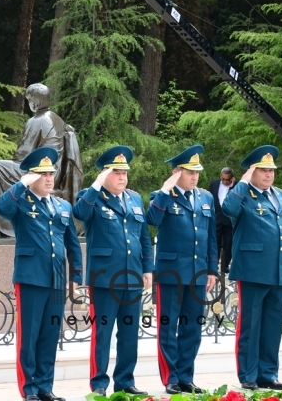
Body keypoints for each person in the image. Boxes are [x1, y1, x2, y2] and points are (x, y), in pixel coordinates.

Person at [0, 146, 83, 401]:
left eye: (50, 174)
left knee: (49, 335)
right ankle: (29, 388)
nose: (48, 178)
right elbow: (1, 207)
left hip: (56, 279)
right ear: (32, 177)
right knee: (29, 335)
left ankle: (45, 386)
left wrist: (75, 277)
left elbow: (72, 244)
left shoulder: (62, 206)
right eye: (41, 174)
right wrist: (22, 182)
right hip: (31, 278)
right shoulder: (21, 203)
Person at [72, 146, 153, 397]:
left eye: (124, 173)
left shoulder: (134, 198)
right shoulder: (91, 196)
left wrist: (148, 269)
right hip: (104, 279)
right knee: (103, 334)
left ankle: (125, 381)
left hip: (131, 276)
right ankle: (99, 383)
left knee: (129, 334)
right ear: (104, 174)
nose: (122, 178)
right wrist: (96, 185)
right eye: (116, 173)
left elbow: (144, 237)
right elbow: (79, 214)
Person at [222, 145, 282, 391]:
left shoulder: (281, 195)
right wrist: (242, 183)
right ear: (251, 171)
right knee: (250, 326)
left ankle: (268, 374)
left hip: (279, 269)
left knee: (273, 325)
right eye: (263, 170)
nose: (268, 175)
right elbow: (228, 210)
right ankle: (248, 374)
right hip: (253, 269)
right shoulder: (242, 194)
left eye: (271, 170)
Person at [145, 144, 218, 395]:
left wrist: (211, 270)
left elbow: (211, 237)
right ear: (177, 173)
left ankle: (186, 376)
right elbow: (151, 221)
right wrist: (166, 189)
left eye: (197, 171)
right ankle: (171, 377)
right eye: (189, 172)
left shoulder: (206, 197)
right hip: (170, 273)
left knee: (192, 327)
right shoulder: (161, 195)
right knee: (168, 327)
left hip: (198, 273)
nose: (195, 176)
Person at [0, 83, 83, 236]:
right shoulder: (57, 118)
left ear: (35, 102)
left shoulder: (36, 120)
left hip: (38, 170)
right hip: (55, 170)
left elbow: (22, 155)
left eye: (29, 100)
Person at [209, 168, 236, 273]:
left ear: (232, 178)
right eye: (223, 179)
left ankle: (225, 266)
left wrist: (232, 186)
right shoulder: (214, 184)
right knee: (214, 243)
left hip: (230, 220)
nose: (225, 181)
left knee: (228, 244)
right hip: (216, 218)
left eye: (227, 179)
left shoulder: (236, 186)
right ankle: (213, 266)